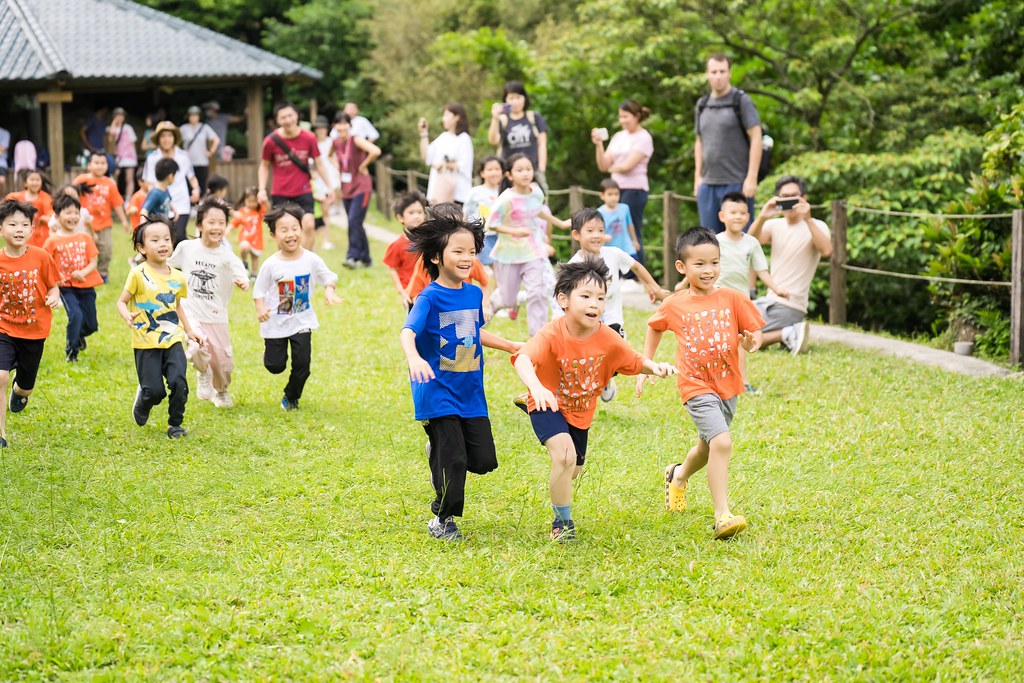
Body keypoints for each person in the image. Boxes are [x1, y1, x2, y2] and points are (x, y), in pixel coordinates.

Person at [512, 259, 675, 541]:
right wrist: (536, 388)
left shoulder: (606, 337)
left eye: (601, 298)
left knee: (573, 470)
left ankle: (563, 494)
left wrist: (654, 367)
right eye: (585, 296)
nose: (595, 304)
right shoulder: (551, 333)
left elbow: (633, 359)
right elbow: (523, 359)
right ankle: (562, 524)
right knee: (564, 456)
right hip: (546, 401)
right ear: (563, 299)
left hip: (580, 412)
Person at [400, 204, 520, 541]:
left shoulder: (473, 293)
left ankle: (437, 451)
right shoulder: (429, 297)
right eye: (458, 251)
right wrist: (414, 358)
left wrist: (510, 344)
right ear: (437, 257)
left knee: (482, 461)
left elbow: (473, 331)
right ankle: (443, 518)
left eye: (472, 251)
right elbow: (407, 332)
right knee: (453, 459)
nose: (467, 257)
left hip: (470, 392)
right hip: (436, 389)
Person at [638, 227, 765, 540]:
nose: (708, 270)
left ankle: (677, 475)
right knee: (722, 442)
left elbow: (754, 335)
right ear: (682, 267)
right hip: (694, 385)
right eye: (700, 264)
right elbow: (654, 328)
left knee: (707, 447)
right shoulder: (676, 303)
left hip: (728, 385)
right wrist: (647, 365)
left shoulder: (734, 298)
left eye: (714, 263)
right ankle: (722, 514)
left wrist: (751, 344)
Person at [564, 208, 670, 401]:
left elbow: (636, 266)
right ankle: (594, 381)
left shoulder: (613, 253)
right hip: (585, 319)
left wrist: (656, 289)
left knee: (614, 349)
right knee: (589, 355)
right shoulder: (574, 265)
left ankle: (605, 378)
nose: (597, 235)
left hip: (611, 316)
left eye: (600, 230)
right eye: (590, 231)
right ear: (576, 234)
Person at [117, 216, 204, 439]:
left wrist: (189, 329)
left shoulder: (178, 277)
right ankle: (145, 398)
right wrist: (127, 315)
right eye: (155, 240)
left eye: (167, 239)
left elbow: (177, 306)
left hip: (172, 337)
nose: (163, 244)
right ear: (141, 248)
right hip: (145, 340)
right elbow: (121, 301)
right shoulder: (138, 274)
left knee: (178, 381)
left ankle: (176, 424)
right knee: (154, 391)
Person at [253, 203, 341, 411]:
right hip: (275, 323)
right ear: (274, 235)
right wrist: (260, 309)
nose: (291, 234)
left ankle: (291, 397)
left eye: (295, 228)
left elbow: (328, 278)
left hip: (302, 321)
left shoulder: (311, 259)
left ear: (301, 230)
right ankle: (275, 359)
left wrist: (329, 290)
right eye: (284, 230)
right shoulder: (270, 264)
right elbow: (259, 292)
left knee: (302, 366)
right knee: (275, 366)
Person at [168, 197, 249, 408]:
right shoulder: (186, 248)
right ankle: (203, 372)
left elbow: (240, 270)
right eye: (211, 222)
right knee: (196, 347)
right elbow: (166, 264)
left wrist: (243, 281)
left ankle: (221, 392)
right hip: (190, 310)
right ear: (200, 224)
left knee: (223, 363)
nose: (217, 227)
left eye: (221, 223)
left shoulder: (226, 255)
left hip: (216, 315)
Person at [0, 199, 62, 448]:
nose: (19, 229)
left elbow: (54, 285)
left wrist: (54, 296)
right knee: (0, 376)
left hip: (34, 331)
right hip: (4, 327)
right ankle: (1, 433)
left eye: (25, 225)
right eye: (12, 224)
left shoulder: (41, 257)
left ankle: (20, 392)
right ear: (1, 229)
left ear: (31, 230)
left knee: (24, 386)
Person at [747, 175, 832, 354]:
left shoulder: (817, 225)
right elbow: (748, 243)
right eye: (784, 197)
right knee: (732, 324)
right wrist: (762, 216)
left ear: (804, 198)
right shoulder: (773, 225)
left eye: (794, 196)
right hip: (770, 302)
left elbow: (826, 251)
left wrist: (807, 218)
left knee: (735, 331)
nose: (790, 202)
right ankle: (787, 333)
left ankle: (786, 333)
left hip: (791, 306)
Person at [714, 191, 790, 392]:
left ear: (748, 217)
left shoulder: (751, 243)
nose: (738, 216)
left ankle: (743, 383)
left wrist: (777, 289)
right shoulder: (715, 242)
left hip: (740, 302)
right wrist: (684, 283)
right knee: (718, 341)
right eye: (733, 212)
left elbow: (761, 270)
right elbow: (701, 267)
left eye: (742, 213)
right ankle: (715, 380)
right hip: (716, 298)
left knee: (740, 343)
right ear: (722, 216)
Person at [487, 153, 569, 335]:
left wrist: (560, 223)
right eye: (520, 170)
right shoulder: (506, 199)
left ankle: (538, 339)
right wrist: (515, 231)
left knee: (537, 294)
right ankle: (495, 301)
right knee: (508, 299)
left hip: (533, 250)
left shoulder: (536, 193)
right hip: (508, 254)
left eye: (528, 169)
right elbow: (491, 224)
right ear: (509, 175)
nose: (525, 173)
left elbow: (538, 210)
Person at [693, 54, 763, 233]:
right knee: (709, 243)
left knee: (740, 243)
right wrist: (698, 178)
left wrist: (752, 177)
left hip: (736, 182)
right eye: (714, 71)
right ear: (707, 74)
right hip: (708, 184)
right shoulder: (702, 104)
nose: (718, 76)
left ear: (729, 73)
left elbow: (756, 136)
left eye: (722, 71)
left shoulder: (740, 100)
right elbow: (699, 141)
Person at [257, 102, 336, 251]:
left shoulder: (309, 138)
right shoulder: (270, 141)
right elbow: (264, 165)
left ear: (297, 116)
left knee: (309, 225)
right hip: (280, 192)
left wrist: (330, 187)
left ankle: (306, 263)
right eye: (283, 117)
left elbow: (319, 164)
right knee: (282, 232)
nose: (288, 120)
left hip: (303, 191)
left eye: (290, 115)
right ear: (277, 120)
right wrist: (261, 189)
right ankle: (286, 264)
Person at [591, 99, 654, 266]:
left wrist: (612, 167)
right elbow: (603, 165)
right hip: (615, 189)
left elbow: (627, 166)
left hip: (635, 190)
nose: (623, 120)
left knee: (631, 231)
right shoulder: (618, 136)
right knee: (613, 231)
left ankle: (635, 275)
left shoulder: (644, 137)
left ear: (637, 116)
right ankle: (617, 271)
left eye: (626, 116)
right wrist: (599, 146)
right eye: (621, 117)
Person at [43, 193, 104, 362]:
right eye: (68, 213)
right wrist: (55, 279)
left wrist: (82, 273)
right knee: (75, 315)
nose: (73, 216)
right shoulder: (52, 241)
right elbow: (46, 264)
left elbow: (93, 262)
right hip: (66, 287)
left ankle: (78, 335)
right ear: (57, 216)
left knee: (91, 325)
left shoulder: (85, 237)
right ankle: (72, 351)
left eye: (76, 212)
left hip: (86, 286)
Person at [330, 112, 381, 268]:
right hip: (347, 188)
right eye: (339, 123)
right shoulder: (336, 142)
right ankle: (366, 259)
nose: (342, 126)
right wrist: (337, 168)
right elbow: (329, 156)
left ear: (350, 126)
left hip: (362, 187)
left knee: (353, 220)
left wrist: (363, 166)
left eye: (345, 123)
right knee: (355, 223)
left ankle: (352, 256)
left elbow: (375, 151)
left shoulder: (356, 140)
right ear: (335, 126)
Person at [140, 121, 200, 246]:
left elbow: (192, 177)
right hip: (161, 206)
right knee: (163, 240)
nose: (166, 139)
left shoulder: (183, 156)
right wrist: (157, 196)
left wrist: (196, 190)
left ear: (174, 138)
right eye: (163, 136)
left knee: (179, 236)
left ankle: (180, 265)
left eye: (169, 136)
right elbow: (149, 183)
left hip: (181, 203)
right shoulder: (152, 158)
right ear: (158, 139)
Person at [487, 81, 549, 194]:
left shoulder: (534, 117)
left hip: (532, 171)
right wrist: (495, 118)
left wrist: (541, 169)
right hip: (509, 173)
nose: (515, 101)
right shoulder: (503, 120)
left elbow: (542, 144)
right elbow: (493, 140)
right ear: (505, 100)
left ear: (524, 98)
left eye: (518, 97)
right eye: (511, 98)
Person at [74, 153, 128, 281]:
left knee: (106, 250)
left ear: (107, 166)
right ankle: (85, 273)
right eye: (96, 163)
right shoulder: (81, 180)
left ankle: (102, 274)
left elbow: (117, 204)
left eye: (103, 163)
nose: (99, 166)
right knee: (84, 251)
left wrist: (124, 221)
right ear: (89, 165)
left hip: (104, 224)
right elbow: (71, 195)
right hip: (84, 224)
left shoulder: (110, 183)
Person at [418, 103, 473, 206]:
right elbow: (425, 157)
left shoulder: (464, 138)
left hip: (457, 195)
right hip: (438, 193)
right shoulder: (443, 137)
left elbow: (464, 166)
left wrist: (445, 165)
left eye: (447, 115)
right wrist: (424, 133)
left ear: (457, 117)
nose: (444, 119)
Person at [383, 192, 426, 311]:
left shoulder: (430, 241)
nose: (416, 216)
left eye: (420, 212)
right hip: (411, 294)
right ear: (400, 217)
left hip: (430, 292)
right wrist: (402, 292)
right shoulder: (397, 245)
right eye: (411, 213)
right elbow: (393, 270)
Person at [463, 156, 504, 266]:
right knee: (491, 264)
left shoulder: (506, 192)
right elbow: (466, 214)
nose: (494, 172)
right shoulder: (475, 192)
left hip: (502, 233)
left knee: (500, 264)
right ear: (482, 173)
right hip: (483, 234)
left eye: (497, 169)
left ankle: (498, 283)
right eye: (490, 170)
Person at [311, 116, 340, 250]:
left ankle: (325, 239)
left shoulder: (331, 142)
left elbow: (335, 160)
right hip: (315, 182)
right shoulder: (312, 142)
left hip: (330, 180)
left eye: (323, 128)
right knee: (314, 212)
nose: (321, 130)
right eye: (318, 128)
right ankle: (314, 240)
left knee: (326, 211)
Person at [5, 168, 52, 248]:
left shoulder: (46, 198)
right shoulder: (16, 197)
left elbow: (51, 216)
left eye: (37, 180)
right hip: (21, 234)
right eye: (32, 180)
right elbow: (4, 208)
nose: (35, 182)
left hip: (40, 236)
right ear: (25, 183)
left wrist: (45, 218)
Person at [180, 106, 220, 195]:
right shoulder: (184, 128)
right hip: (188, 162)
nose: (193, 118)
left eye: (195, 115)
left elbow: (216, 139)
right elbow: (176, 141)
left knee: (202, 186)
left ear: (199, 116)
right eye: (191, 115)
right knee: (188, 187)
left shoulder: (204, 127)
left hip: (202, 162)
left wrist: (211, 151)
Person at [596, 179, 639, 258]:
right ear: (602, 195)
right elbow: (596, 231)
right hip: (610, 252)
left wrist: (634, 240)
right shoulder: (598, 212)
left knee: (635, 268)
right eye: (610, 194)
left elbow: (630, 225)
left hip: (628, 249)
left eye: (616, 194)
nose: (614, 197)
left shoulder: (625, 208)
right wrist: (603, 238)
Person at [230, 187, 266, 275]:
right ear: (244, 200)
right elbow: (233, 223)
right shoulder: (242, 212)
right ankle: (244, 262)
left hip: (257, 240)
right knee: (244, 246)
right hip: (245, 239)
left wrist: (263, 199)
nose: (252, 204)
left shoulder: (259, 211)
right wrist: (226, 232)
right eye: (249, 201)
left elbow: (267, 209)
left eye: (254, 201)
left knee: (255, 257)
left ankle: (254, 274)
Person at [106, 107, 138, 199]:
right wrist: (114, 122)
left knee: (129, 178)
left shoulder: (128, 128)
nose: (120, 117)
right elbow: (111, 136)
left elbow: (132, 143)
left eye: (121, 116)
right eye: (117, 116)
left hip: (129, 157)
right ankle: (115, 197)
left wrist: (134, 157)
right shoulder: (110, 128)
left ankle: (128, 199)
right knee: (114, 177)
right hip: (117, 157)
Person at [0, 125, 9, 193]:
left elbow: (2, 149)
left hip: (1, 163)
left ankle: (2, 200)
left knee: (2, 180)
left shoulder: (5, 133)